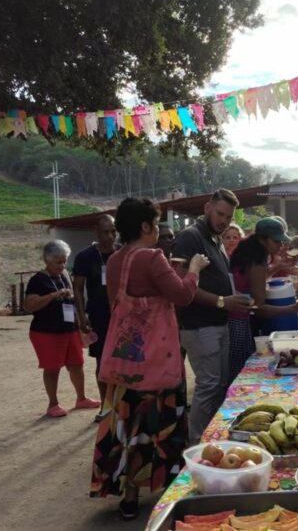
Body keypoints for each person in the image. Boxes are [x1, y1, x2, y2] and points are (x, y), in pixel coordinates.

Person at [89, 197, 208, 520]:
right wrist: (194, 270)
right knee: (162, 425)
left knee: (129, 425)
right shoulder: (153, 257)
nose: (158, 230)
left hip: (128, 359)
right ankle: (170, 491)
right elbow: (182, 295)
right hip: (157, 360)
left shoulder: (115, 260)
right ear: (145, 226)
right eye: (155, 223)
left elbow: (121, 301)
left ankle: (129, 496)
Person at [172, 189, 252, 443]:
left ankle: (211, 437)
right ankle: (197, 443)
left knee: (219, 385)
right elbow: (180, 286)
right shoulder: (189, 237)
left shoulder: (215, 239)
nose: (224, 221)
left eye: (228, 217)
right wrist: (222, 301)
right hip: (198, 325)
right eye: (220, 214)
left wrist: (233, 299)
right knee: (208, 386)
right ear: (207, 207)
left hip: (219, 322)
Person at [24, 240, 101, 418]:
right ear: (47, 260)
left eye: (64, 261)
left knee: (77, 364)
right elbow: (29, 305)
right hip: (46, 332)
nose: (62, 265)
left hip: (69, 329)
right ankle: (53, 403)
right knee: (52, 367)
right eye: (58, 262)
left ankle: (81, 398)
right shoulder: (37, 280)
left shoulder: (64, 274)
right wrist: (53, 296)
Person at [228, 218, 298, 382]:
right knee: (239, 376)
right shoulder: (257, 261)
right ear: (262, 239)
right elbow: (260, 308)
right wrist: (292, 308)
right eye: (276, 241)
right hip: (237, 321)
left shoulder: (249, 254)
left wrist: (279, 267)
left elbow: (253, 280)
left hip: (233, 318)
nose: (280, 246)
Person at [72, 214, 118, 418]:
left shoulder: (123, 253)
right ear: (96, 233)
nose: (109, 236)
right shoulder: (85, 257)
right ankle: (106, 408)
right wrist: (82, 317)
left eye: (113, 231)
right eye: (105, 232)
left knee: (126, 362)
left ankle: (122, 408)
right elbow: (78, 288)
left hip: (124, 316)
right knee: (103, 363)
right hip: (99, 316)